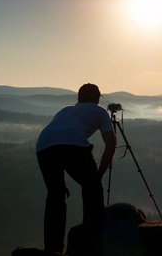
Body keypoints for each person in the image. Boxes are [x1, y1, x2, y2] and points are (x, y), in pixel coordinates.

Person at [36, 83, 116, 254]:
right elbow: (111, 144)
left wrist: (58, 181)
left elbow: (57, 142)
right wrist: (97, 176)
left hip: (43, 146)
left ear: (78, 98)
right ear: (97, 98)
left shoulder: (65, 110)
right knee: (92, 190)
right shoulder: (99, 110)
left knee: (55, 196)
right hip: (74, 146)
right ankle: (90, 241)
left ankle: (53, 248)